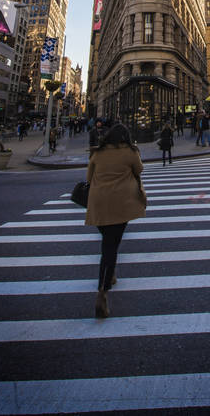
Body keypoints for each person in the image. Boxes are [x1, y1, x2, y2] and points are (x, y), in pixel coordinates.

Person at [85, 123, 146, 318]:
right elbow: (140, 170)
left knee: (107, 242)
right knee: (112, 245)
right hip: (121, 204)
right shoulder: (130, 151)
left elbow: (89, 177)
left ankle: (109, 275)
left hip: (99, 205)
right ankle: (102, 292)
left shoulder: (97, 153)